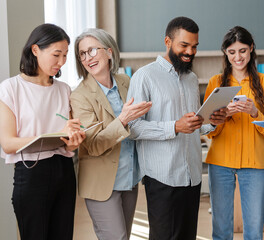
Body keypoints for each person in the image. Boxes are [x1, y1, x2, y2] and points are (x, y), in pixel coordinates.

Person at [126, 16, 227, 240]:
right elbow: (132, 128)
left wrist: (211, 123)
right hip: (163, 178)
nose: (190, 51)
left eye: (194, 46)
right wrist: (175, 126)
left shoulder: (191, 78)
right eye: (184, 45)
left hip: (191, 176)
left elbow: (192, 127)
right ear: (168, 42)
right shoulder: (145, 77)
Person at [0, 23, 86, 240]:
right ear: (35, 49)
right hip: (31, 173)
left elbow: (70, 145)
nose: (62, 62)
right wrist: (50, 138)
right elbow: (8, 143)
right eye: (56, 54)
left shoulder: (64, 89)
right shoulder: (11, 88)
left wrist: (73, 140)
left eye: (65, 55)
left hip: (64, 172)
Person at [70, 28, 151, 240]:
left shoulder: (126, 82)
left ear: (109, 51)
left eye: (92, 50)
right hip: (101, 184)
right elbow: (94, 144)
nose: (88, 58)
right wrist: (122, 119)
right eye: (83, 54)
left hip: (129, 178)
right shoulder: (80, 96)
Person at [204, 26, 264, 240]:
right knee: (221, 228)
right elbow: (209, 132)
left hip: (254, 163)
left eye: (243, 50)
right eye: (232, 52)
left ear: (251, 49)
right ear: (225, 53)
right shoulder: (215, 83)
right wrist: (223, 116)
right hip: (220, 163)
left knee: (254, 230)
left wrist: (254, 112)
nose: (238, 57)